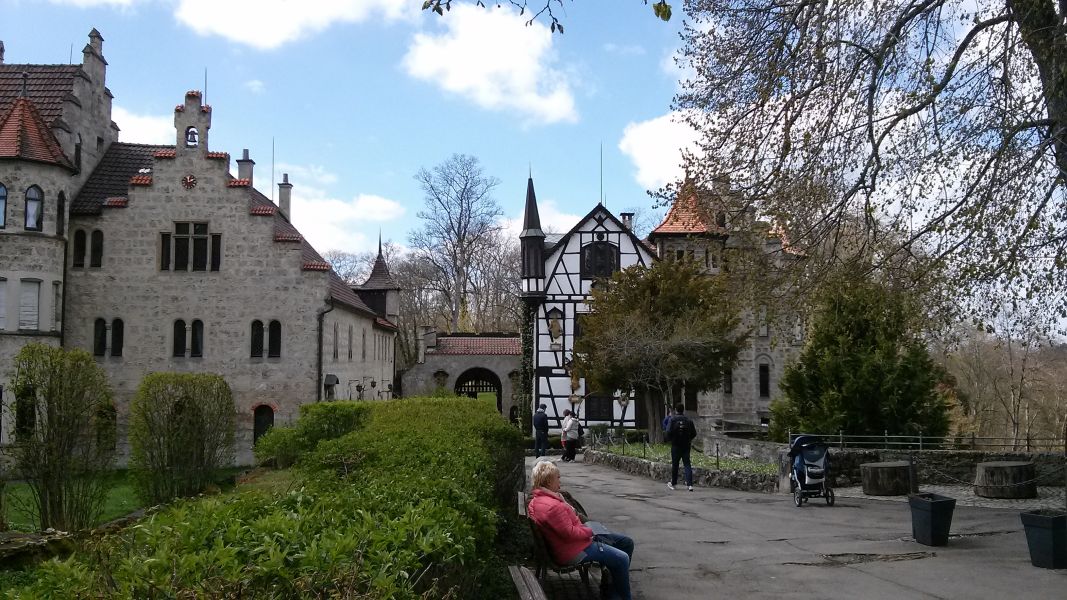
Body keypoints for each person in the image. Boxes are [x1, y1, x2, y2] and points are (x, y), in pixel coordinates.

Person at [528, 460, 634, 600]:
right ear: (548, 482)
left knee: (626, 542)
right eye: (557, 478)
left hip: (574, 544)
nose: (560, 481)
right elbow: (570, 533)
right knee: (622, 558)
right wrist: (591, 531)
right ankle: (621, 596)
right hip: (575, 550)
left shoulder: (540, 499)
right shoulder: (552, 506)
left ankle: (612, 590)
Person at [665, 403, 697, 491]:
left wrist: (671, 439)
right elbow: (694, 433)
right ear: (683, 410)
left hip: (675, 445)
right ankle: (690, 484)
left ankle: (673, 483)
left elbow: (668, 432)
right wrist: (689, 439)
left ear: (676, 410)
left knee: (675, 464)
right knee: (687, 463)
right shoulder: (688, 420)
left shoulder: (673, 420)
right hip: (686, 445)